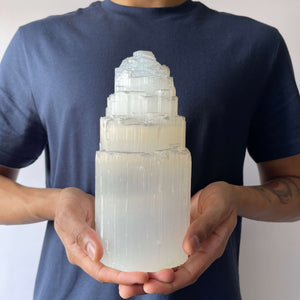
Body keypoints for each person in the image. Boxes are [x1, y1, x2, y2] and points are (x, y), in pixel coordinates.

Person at [0, 0, 299, 299]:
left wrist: (234, 198)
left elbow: (294, 185)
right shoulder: (37, 45)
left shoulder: (255, 45)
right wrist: (56, 204)